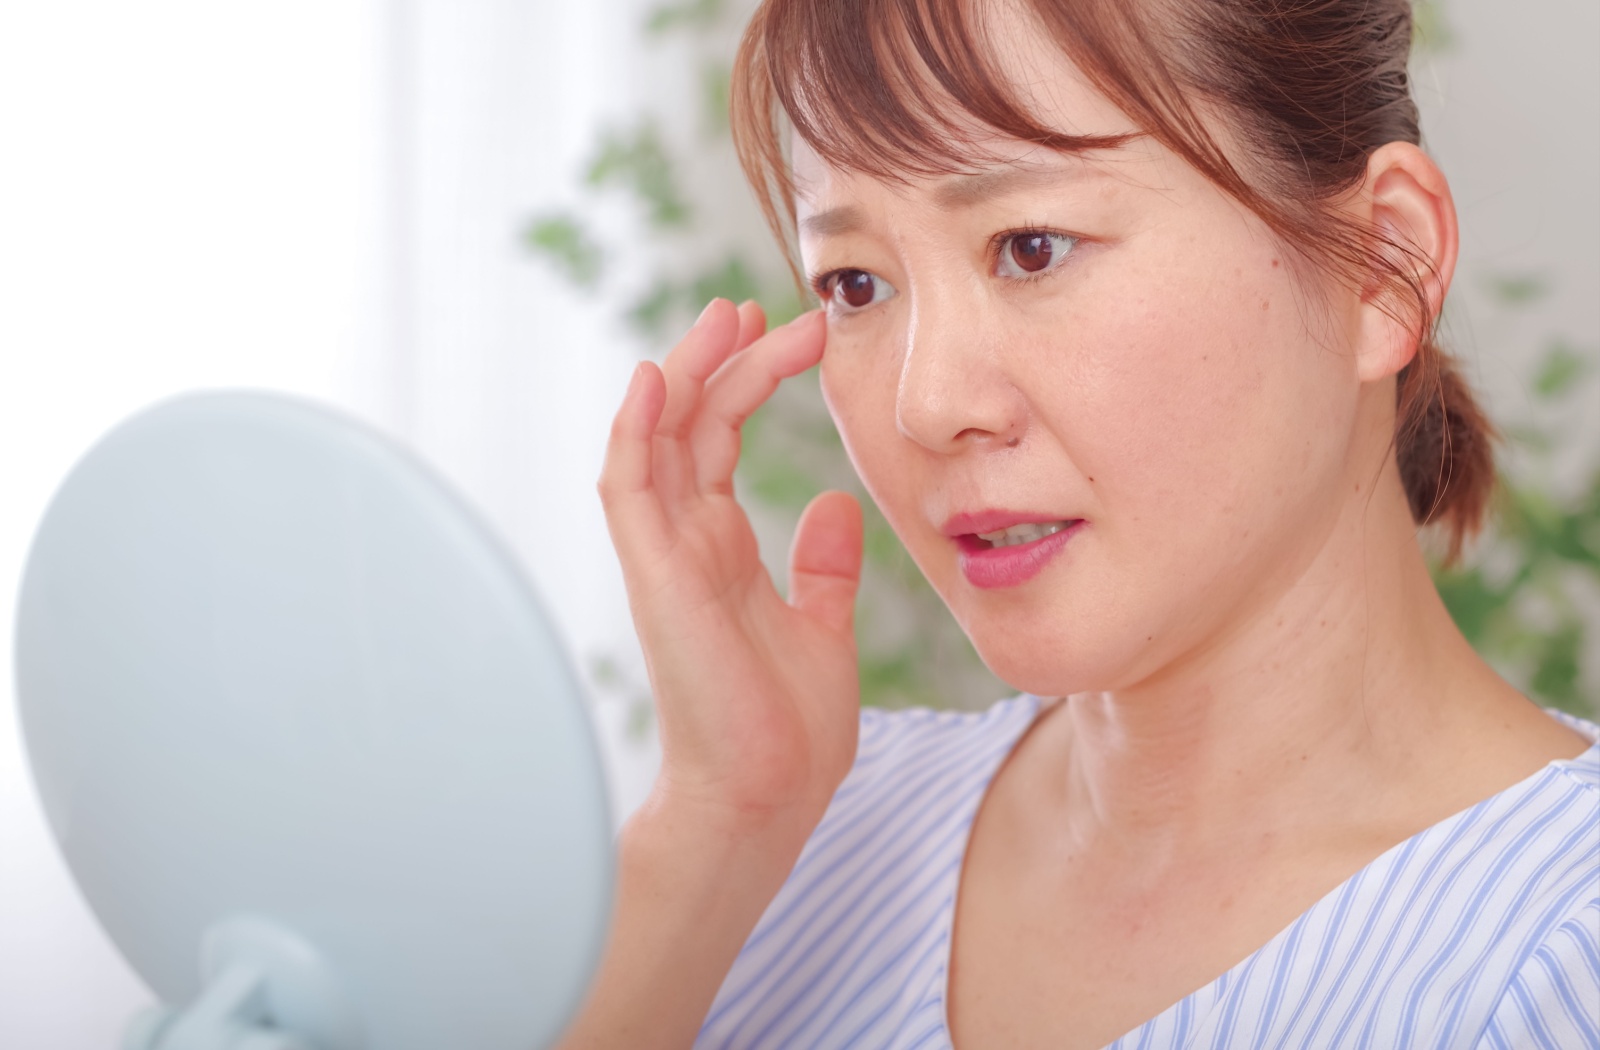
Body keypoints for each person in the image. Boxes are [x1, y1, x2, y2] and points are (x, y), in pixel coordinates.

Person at [559, 0, 1600, 1046]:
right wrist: (716, 823)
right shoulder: (789, 842)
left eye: (1031, 247)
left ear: (1382, 263)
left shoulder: (1559, 958)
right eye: (856, 284)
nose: (926, 405)